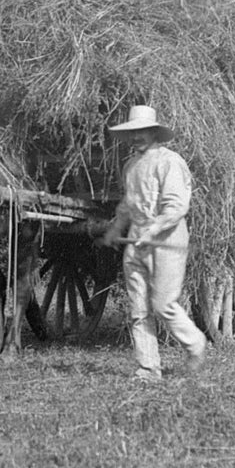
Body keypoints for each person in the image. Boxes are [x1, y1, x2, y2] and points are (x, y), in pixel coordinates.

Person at [98, 105, 207, 381]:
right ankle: (148, 368)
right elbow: (127, 204)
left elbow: (176, 206)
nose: (137, 137)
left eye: (142, 132)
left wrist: (154, 229)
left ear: (154, 132)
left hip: (167, 239)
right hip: (136, 240)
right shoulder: (131, 166)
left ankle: (196, 344)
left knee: (163, 304)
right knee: (138, 308)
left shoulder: (170, 162)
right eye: (133, 133)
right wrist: (115, 229)